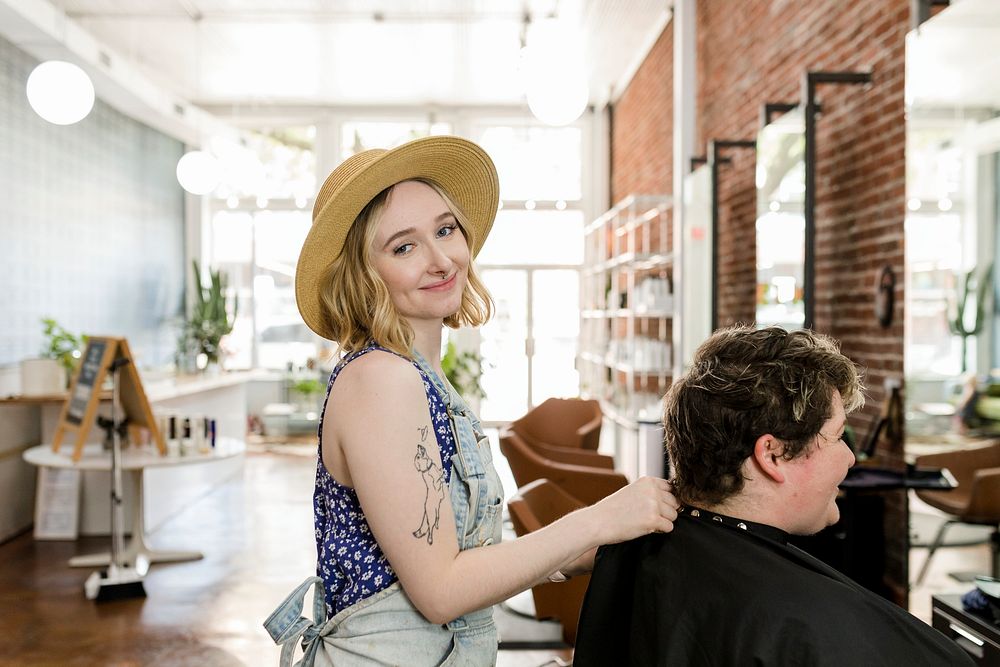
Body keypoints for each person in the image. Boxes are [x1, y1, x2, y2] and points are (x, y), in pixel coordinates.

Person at [264, 135, 679, 666]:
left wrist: (616, 537)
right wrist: (599, 519)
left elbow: (464, 561)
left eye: (445, 229)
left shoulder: (420, 374)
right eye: (404, 246)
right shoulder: (381, 380)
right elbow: (441, 592)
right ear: (363, 275)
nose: (441, 260)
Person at [574, 326, 973, 666]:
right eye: (836, 438)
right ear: (772, 454)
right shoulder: (803, 621)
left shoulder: (636, 552)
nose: (850, 458)